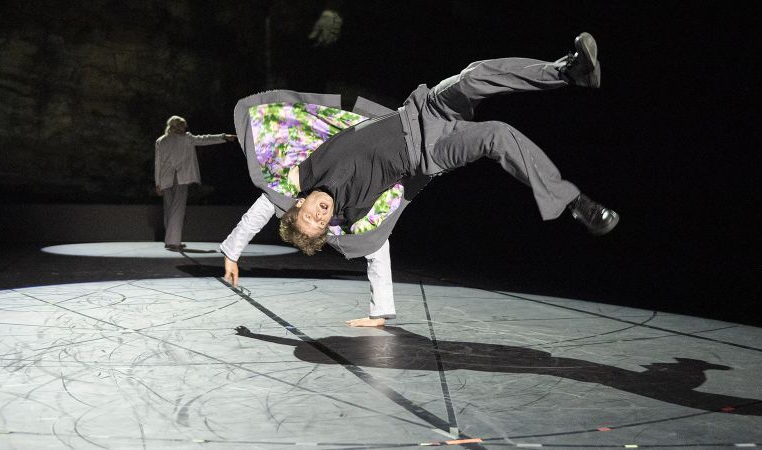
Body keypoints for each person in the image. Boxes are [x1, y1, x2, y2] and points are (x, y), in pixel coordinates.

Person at [221, 32, 618, 326]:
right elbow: (376, 249)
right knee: (498, 135)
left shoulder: (301, 175)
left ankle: (569, 71)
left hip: (422, 109)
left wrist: (232, 253)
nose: (320, 216)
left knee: (476, 74)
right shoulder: (356, 212)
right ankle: (575, 203)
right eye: (321, 224)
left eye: (310, 216)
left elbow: (261, 207)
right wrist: (379, 311)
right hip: (430, 151)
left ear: (298, 204)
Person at [154, 116, 236, 251]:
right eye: (182, 125)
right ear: (177, 126)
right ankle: (173, 241)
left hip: (166, 178)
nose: (185, 128)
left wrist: (158, 183)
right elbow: (204, 139)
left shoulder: (161, 140)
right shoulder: (186, 138)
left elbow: (157, 164)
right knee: (177, 209)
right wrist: (224, 136)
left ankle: (170, 240)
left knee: (169, 209)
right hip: (180, 177)